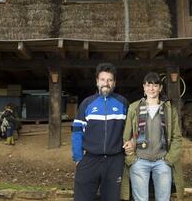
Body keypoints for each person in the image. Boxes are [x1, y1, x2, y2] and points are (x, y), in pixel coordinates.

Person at [121, 72, 184, 201]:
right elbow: (126, 136)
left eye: (155, 85)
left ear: (160, 88)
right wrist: (132, 158)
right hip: (139, 161)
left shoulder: (168, 109)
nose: (151, 88)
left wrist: (169, 159)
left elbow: (176, 137)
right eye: (148, 85)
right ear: (144, 87)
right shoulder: (134, 108)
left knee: (163, 198)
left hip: (162, 161)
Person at [71, 63, 128, 201]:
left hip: (114, 160)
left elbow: (130, 130)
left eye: (109, 80)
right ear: (97, 81)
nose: (106, 83)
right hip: (90, 159)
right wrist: (78, 158)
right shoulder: (87, 103)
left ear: (114, 83)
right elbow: (77, 131)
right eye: (102, 79)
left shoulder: (123, 103)